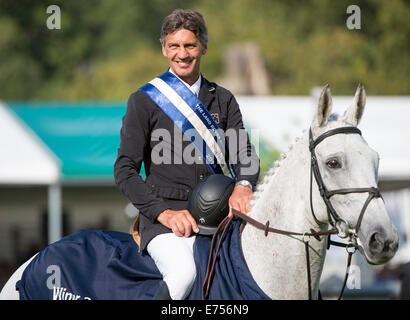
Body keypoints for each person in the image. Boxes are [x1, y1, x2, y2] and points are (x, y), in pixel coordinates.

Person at [114, 8, 259, 300]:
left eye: (190, 45)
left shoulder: (224, 99)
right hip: (165, 223)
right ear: (165, 49)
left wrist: (244, 185)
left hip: (221, 222)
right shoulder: (144, 100)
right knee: (184, 275)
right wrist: (163, 213)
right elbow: (125, 170)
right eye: (175, 46)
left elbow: (245, 154)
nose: (182, 53)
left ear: (203, 47)